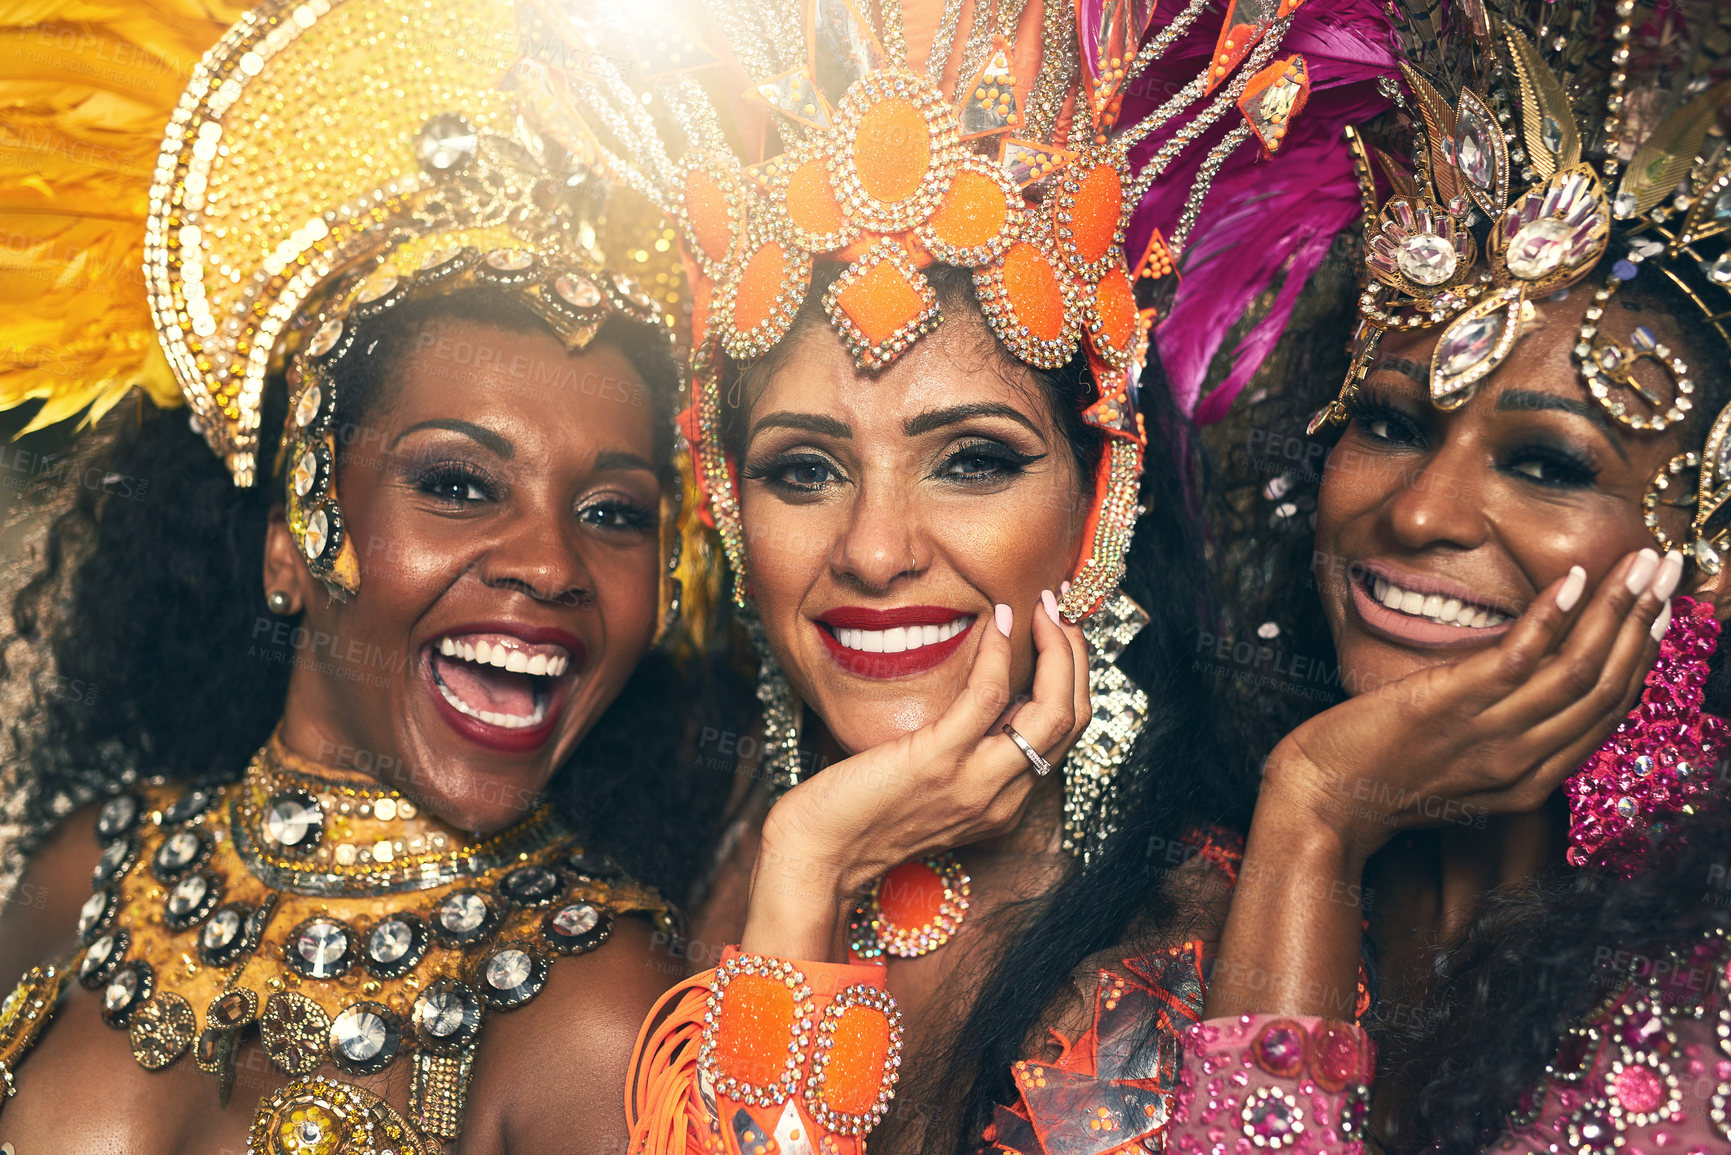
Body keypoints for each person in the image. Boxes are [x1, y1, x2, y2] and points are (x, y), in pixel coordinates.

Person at [543, 0, 1389, 1149]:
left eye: (972, 462)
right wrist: (806, 860)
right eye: (804, 471)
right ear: (734, 515)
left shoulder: (1181, 964)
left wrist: (808, 869)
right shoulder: (689, 831)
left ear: (1098, 509)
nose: (875, 549)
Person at [0, 0, 722, 1149]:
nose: (550, 561)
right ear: (291, 533)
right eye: (458, 484)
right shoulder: (88, 867)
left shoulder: (600, 1017)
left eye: (613, 512)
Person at [1159, 1, 1731, 1149]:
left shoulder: (1703, 1012)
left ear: (1709, 557)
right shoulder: (1176, 916)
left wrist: (1316, 821)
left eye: (1545, 463)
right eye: (1391, 424)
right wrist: (1307, 828)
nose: (1417, 513)